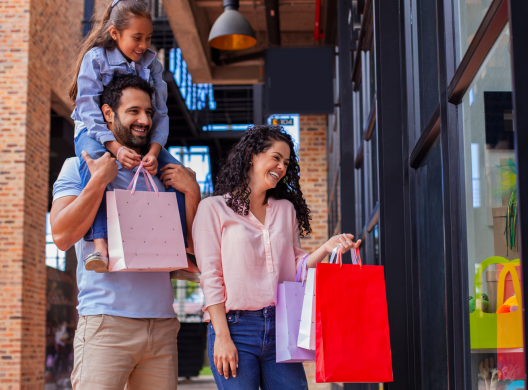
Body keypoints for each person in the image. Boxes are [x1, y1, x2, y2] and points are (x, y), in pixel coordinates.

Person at [50, 75, 201, 390]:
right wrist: (98, 181)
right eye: (134, 111)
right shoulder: (79, 165)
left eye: (148, 112)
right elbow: (62, 237)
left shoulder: (161, 171)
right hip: (105, 325)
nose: (144, 120)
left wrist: (193, 194)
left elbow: (194, 252)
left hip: (161, 327)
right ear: (108, 113)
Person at [192, 125, 361, 390]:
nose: (281, 167)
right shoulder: (212, 209)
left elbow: (296, 267)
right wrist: (222, 336)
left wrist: (327, 248)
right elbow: (211, 276)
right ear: (251, 155)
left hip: (281, 326)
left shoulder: (285, 210)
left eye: (286, 162)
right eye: (276, 157)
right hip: (235, 327)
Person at [68, 0, 185, 271]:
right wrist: (114, 148)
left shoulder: (151, 63)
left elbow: (160, 113)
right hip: (93, 131)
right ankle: (100, 245)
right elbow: (88, 107)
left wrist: (154, 152)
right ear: (115, 34)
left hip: (137, 137)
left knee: (179, 174)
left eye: (148, 38)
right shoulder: (95, 58)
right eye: (137, 38)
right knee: (95, 168)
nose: (143, 45)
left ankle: (181, 248)